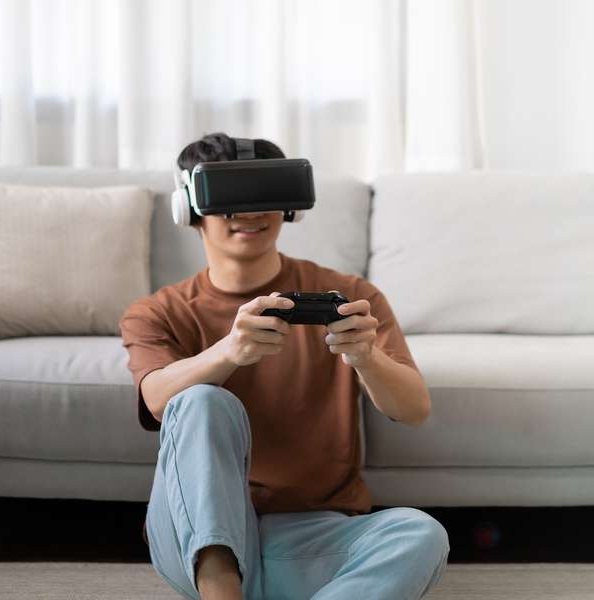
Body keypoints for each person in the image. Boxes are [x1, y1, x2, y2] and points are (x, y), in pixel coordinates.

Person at [119, 132, 449, 600]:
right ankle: (224, 589)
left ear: (290, 204)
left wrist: (364, 357)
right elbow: (157, 401)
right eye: (229, 200)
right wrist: (229, 351)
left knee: (421, 534)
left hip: (313, 535)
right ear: (188, 207)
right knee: (201, 399)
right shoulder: (157, 312)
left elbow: (414, 409)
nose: (251, 214)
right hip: (196, 537)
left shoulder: (352, 296)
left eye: (265, 196)